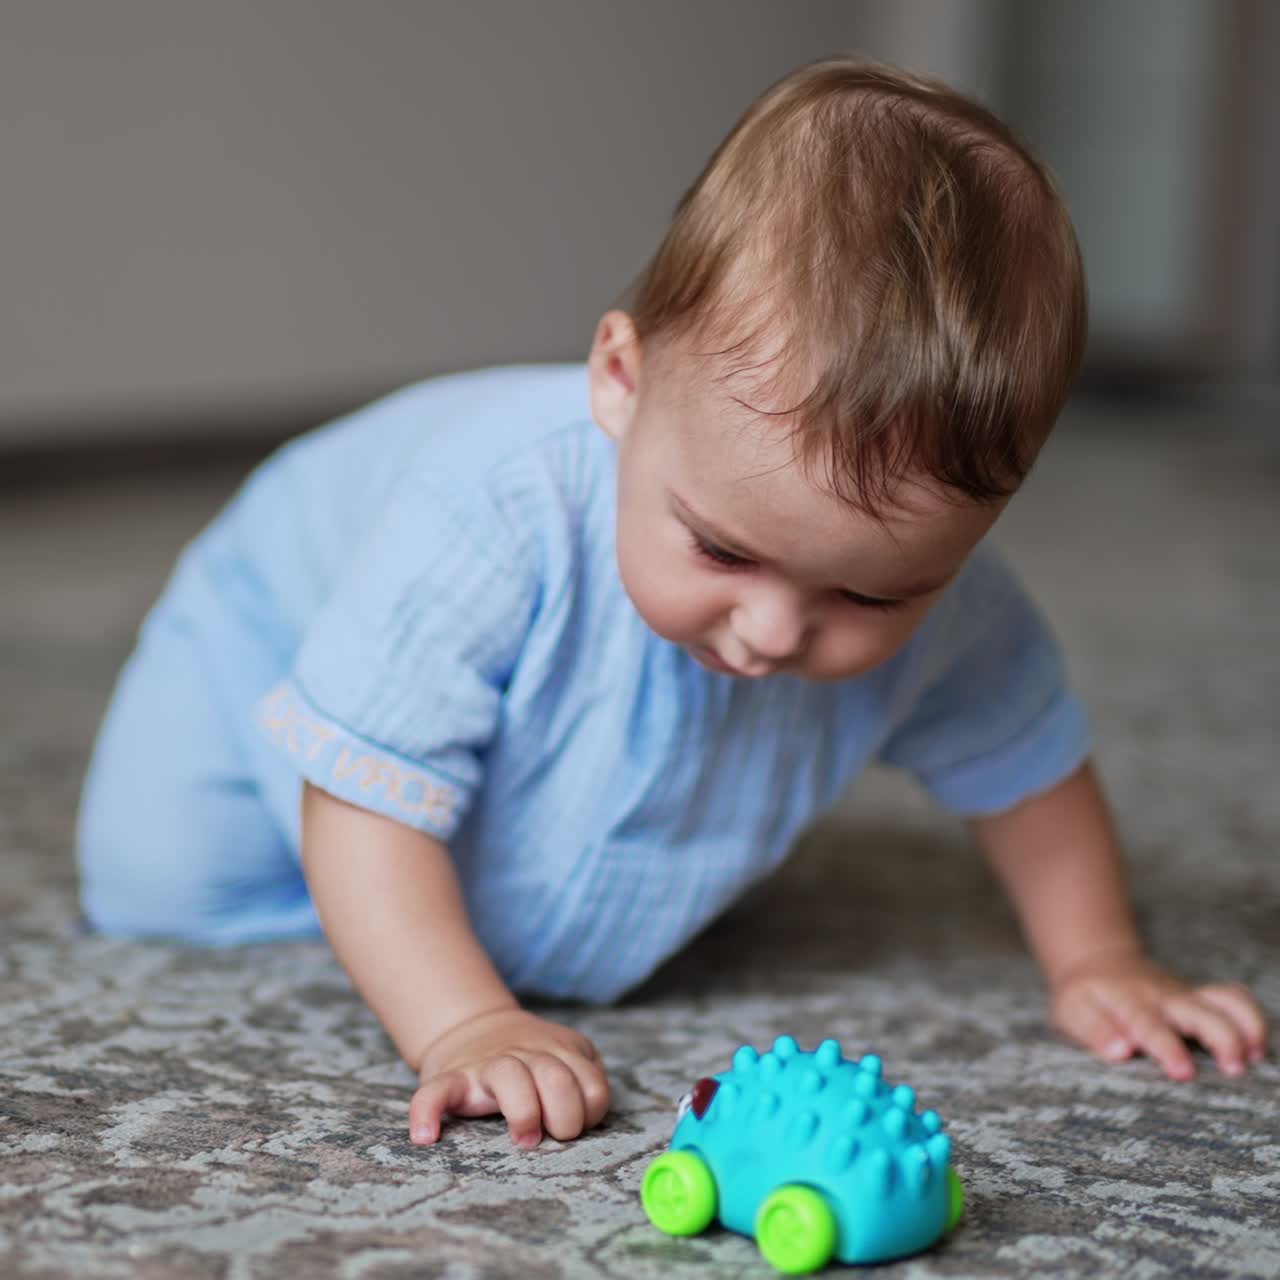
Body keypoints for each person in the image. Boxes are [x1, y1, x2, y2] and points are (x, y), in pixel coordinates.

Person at [76, 58, 1268, 1151]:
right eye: (720, 548)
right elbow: (355, 794)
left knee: (576, 902)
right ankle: (394, 905)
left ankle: (451, 881)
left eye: (866, 588)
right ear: (618, 379)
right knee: (163, 880)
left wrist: (1100, 954)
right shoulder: (485, 514)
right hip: (270, 625)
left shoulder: (948, 597)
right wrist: (463, 1021)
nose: (773, 629)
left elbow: (1029, 763)